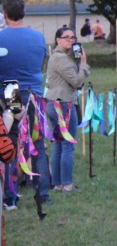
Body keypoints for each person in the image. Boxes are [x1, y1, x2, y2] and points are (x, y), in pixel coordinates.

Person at [0, 0, 51, 208]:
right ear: (24, 12)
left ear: (5, 14)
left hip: (10, 90)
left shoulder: (1, 38)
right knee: (37, 144)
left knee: (10, 143)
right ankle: (43, 194)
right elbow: (41, 63)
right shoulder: (38, 37)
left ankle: (10, 196)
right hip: (34, 93)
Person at [47, 26, 90, 193]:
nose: (70, 40)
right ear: (57, 39)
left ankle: (58, 183)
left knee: (59, 145)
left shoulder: (59, 57)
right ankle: (67, 184)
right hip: (63, 104)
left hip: (55, 103)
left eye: (73, 37)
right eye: (66, 37)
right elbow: (77, 82)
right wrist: (84, 64)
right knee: (67, 145)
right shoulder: (61, 59)